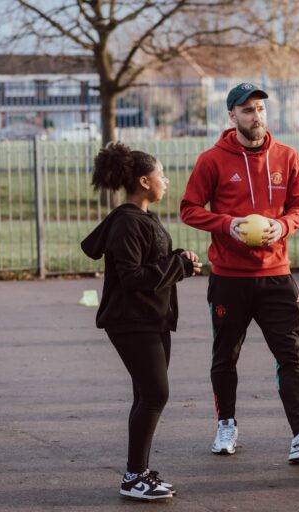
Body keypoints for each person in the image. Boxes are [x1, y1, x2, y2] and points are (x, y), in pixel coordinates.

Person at [179, 83, 299, 464]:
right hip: (229, 277)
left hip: (276, 275)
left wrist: (282, 226)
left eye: (260, 109)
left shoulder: (287, 156)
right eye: (247, 110)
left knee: (290, 355)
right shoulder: (211, 160)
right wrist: (226, 224)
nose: (256, 116)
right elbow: (189, 209)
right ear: (232, 115)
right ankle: (226, 424)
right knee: (225, 356)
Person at [81, 142, 202, 501]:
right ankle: (133, 477)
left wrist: (179, 259)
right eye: (161, 174)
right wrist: (178, 266)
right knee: (155, 394)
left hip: (152, 318)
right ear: (144, 181)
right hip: (131, 320)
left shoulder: (143, 217)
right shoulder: (127, 222)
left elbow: (153, 262)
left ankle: (140, 472)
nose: (166, 180)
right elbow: (132, 277)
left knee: (146, 395)